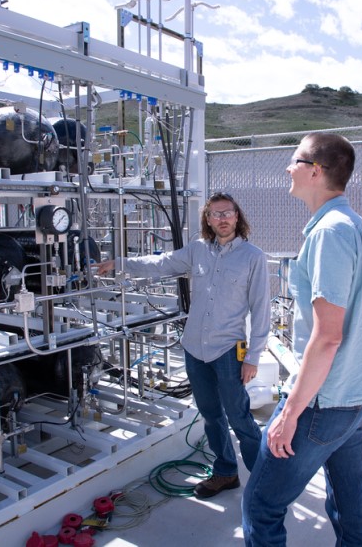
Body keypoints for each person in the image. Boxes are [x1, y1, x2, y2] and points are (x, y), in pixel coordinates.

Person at [242, 133, 362, 546]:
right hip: (361, 397)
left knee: (261, 505)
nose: (288, 168)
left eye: (294, 160)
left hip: (326, 402)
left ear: (315, 171)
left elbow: (327, 337)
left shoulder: (329, 233)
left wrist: (289, 413)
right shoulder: (361, 228)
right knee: (348, 503)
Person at [96, 193, 270, 498]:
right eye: (216, 215)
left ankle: (265, 484)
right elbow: (161, 263)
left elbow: (261, 310)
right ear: (207, 219)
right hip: (194, 349)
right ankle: (226, 472)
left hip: (228, 350)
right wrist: (120, 263)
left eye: (227, 213)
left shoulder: (253, 257)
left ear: (237, 216)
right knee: (211, 415)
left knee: (240, 417)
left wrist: (253, 357)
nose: (223, 219)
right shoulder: (198, 250)